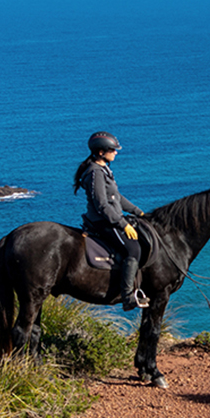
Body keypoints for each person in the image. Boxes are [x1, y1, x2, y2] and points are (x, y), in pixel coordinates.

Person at [74, 131, 148, 310]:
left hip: (111, 217)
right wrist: (123, 224)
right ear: (101, 152)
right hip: (103, 221)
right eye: (113, 150)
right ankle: (128, 296)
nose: (116, 152)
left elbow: (117, 197)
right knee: (133, 249)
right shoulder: (95, 173)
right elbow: (102, 205)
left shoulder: (104, 169)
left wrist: (138, 212)